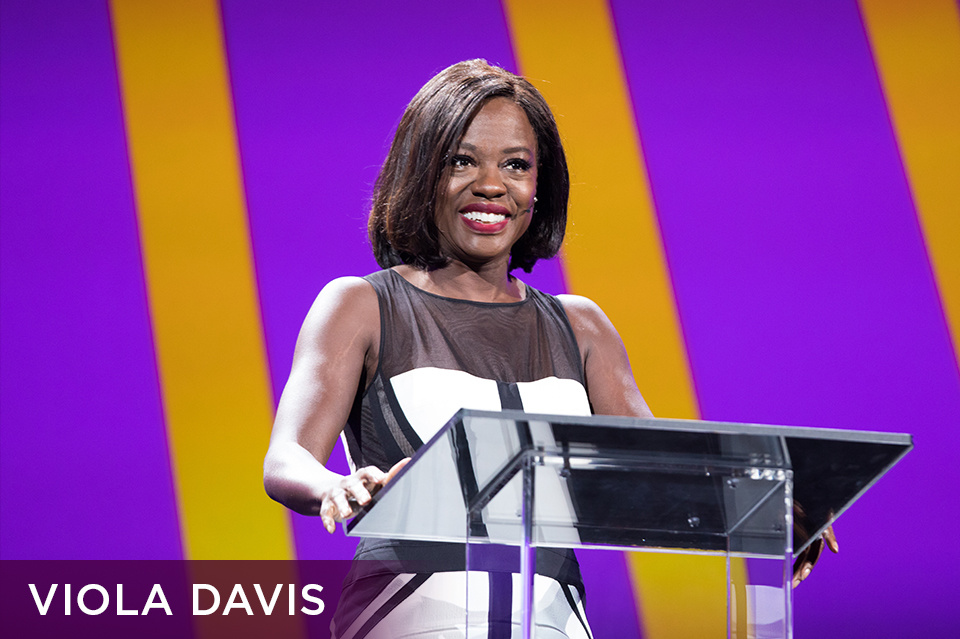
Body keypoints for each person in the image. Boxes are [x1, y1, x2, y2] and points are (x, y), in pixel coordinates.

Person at [263, 58, 833, 638]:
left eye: (516, 165)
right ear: (420, 172)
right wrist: (336, 487)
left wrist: (770, 508)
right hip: (408, 618)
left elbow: (661, 474)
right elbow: (284, 460)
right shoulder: (360, 305)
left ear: (540, 186)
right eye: (462, 160)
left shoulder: (580, 326)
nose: (492, 185)